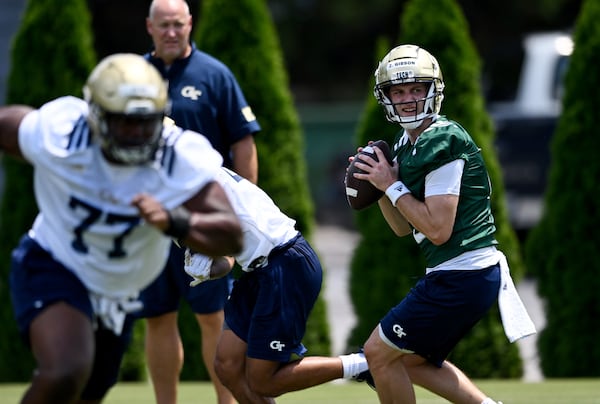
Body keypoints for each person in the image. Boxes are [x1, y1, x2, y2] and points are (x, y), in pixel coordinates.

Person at [0, 53, 244, 404]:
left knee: (90, 388)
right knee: (66, 370)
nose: (137, 132)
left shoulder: (178, 154)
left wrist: (175, 220)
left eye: (145, 121)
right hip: (56, 263)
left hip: (119, 292)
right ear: (96, 115)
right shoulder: (63, 133)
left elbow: (231, 233)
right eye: (125, 122)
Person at [348, 44, 533, 404]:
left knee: (378, 354)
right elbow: (404, 228)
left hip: (463, 273)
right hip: (457, 273)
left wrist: (392, 185)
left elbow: (438, 229)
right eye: (398, 91)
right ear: (385, 97)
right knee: (411, 361)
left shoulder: (442, 140)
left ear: (433, 91)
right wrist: (382, 187)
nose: (407, 99)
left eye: (416, 89)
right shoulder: (406, 144)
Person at [139, 1, 261, 403]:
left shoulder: (215, 74)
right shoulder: (132, 77)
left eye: (178, 24)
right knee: (157, 318)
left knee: (214, 319)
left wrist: (241, 211)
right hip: (150, 225)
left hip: (204, 223)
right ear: (150, 28)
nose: (171, 32)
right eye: (164, 26)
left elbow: (243, 141)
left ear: (190, 24)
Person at [180, 166, 369, 403]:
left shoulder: (190, 181)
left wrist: (204, 251)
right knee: (227, 364)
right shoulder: (185, 178)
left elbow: (228, 237)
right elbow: (229, 257)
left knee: (263, 381)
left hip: (284, 262)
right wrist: (205, 269)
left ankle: (363, 364)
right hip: (259, 269)